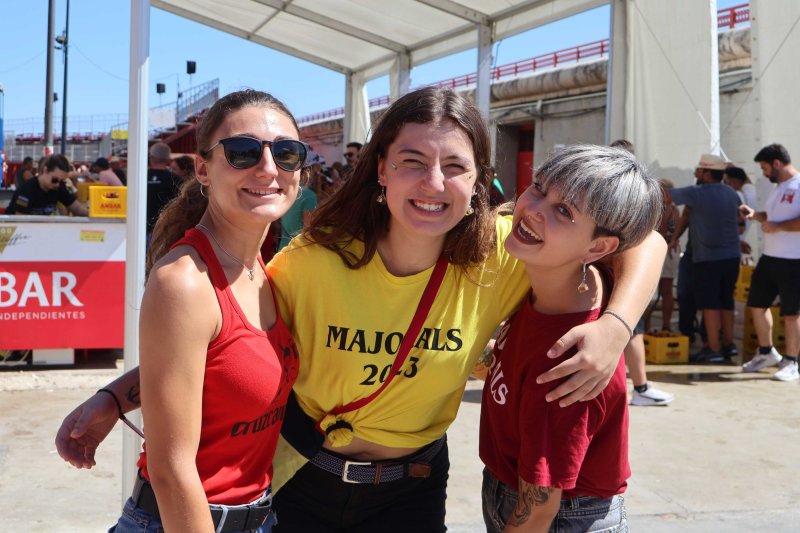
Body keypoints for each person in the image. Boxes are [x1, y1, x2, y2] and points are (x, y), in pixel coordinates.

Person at [56, 87, 665, 532]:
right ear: (380, 171)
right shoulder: (313, 260)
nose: (432, 183)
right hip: (299, 479)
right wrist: (118, 396)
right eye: (411, 163)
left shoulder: (506, 252)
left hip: (412, 490)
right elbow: (224, 348)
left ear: (480, 182)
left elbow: (644, 237)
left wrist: (615, 327)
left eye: (455, 167)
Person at [56, 89, 307, 532]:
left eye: (286, 153)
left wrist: (116, 397)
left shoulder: (261, 267)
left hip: (259, 517)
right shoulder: (185, 281)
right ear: (203, 169)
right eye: (244, 152)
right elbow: (172, 474)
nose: (268, 168)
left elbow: (211, 364)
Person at [480, 144, 662, 532]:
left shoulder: (567, 359)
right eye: (539, 188)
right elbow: (650, 242)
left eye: (564, 211)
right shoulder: (564, 282)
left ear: (598, 248)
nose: (533, 210)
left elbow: (538, 512)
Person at [608, 140, 673, 407]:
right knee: (630, 329)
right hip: (618, 269)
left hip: (612, 268)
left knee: (627, 329)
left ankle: (637, 387)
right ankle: (641, 387)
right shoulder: (632, 190)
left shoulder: (607, 188)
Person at [669, 153, 741, 363]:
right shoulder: (731, 193)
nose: (695, 172)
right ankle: (728, 344)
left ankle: (713, 348)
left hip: (708, 258)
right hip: (731, 256)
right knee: (727, 301)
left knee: (710, 304)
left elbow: (667, 195)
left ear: (707, 173)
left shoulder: (696, 193)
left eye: (699, 170)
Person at [741, 143, 800, 381]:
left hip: (794, 260)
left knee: (791, 313)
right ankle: (766, 352)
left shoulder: (798, 185)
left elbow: (787, 222)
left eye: (765, 167)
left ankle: (792, 361)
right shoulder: (780, 187)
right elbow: (773, 218)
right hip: (770, 258)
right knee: (756, 304)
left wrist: (778, 226)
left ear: (777, 163)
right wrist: (755, 215)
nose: (764, 173)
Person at [5, 154, 88, 216]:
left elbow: (77, 208)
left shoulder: (59, 187)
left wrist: (94, 215)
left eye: (62, 181)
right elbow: (20, 219)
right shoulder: (27, 190)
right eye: (55, 179)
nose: (58, 184)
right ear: (45, 170)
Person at [277, 152, 319, 251]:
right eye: (318, 167)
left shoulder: (283, 190)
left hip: (282, 250)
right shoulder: (309, 195)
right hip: (298, 252)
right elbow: (308, 231)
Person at [146, 141, 182, 241]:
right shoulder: (176, 180)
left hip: (141, 229)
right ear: (168, 160)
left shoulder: (139, 179)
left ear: (151, 158)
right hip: (166, 230)